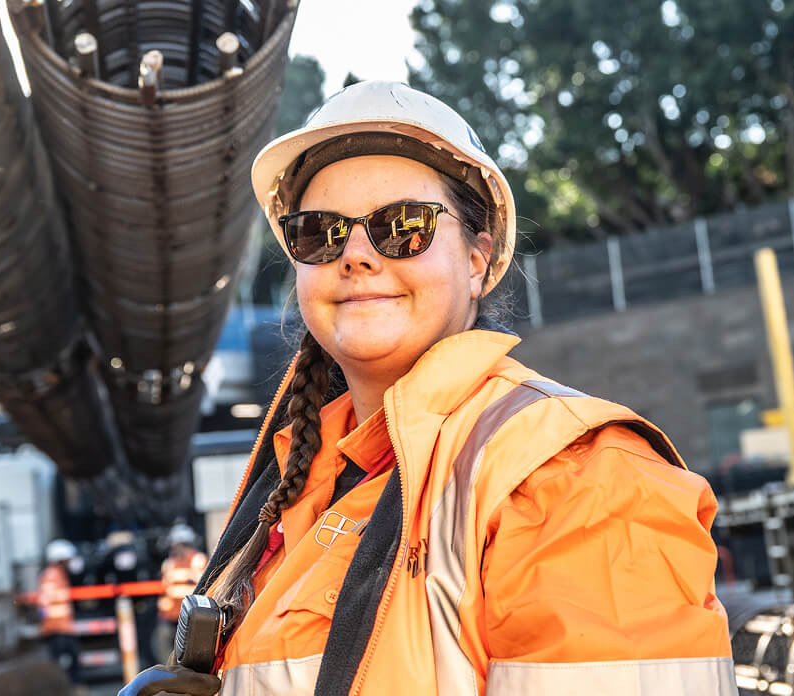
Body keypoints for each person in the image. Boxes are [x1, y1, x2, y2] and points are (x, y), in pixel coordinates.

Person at [120, 80, 735, 696]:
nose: (356, 254)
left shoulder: (577, 480)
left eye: (402, 225)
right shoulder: (298, 490)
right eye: (321, 231)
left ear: (476, 259)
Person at [153, 523, 208, 659]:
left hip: (191, 616)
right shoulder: (169, 564)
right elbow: (166, 589)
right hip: (170, 616)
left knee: (191, 654)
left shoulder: (198, 560)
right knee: (166, 651)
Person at [39, 538, 82, 685]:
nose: (70, 563)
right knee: (63, 664)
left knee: (70, 661)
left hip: (62, 627)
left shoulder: (57, 574)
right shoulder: (52, 576)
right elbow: (47, 602)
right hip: (57, 628)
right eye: (67, 560)